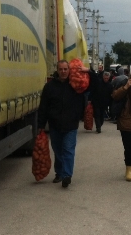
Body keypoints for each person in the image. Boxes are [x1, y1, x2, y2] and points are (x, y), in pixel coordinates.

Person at [38, 60, 97, 188]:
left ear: (69, 70)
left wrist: (90, 72)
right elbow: (43, 107)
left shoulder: (76, 85)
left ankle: (66, 175)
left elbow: (95, 85)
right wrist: (41, 125)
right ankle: (59, 173)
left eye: (66, 69)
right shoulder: (49, 87)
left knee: (68, 150)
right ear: (57, 70)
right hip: (55, 125)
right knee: (58, 150)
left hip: (71, 124)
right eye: (61, 69)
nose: (63, 72)